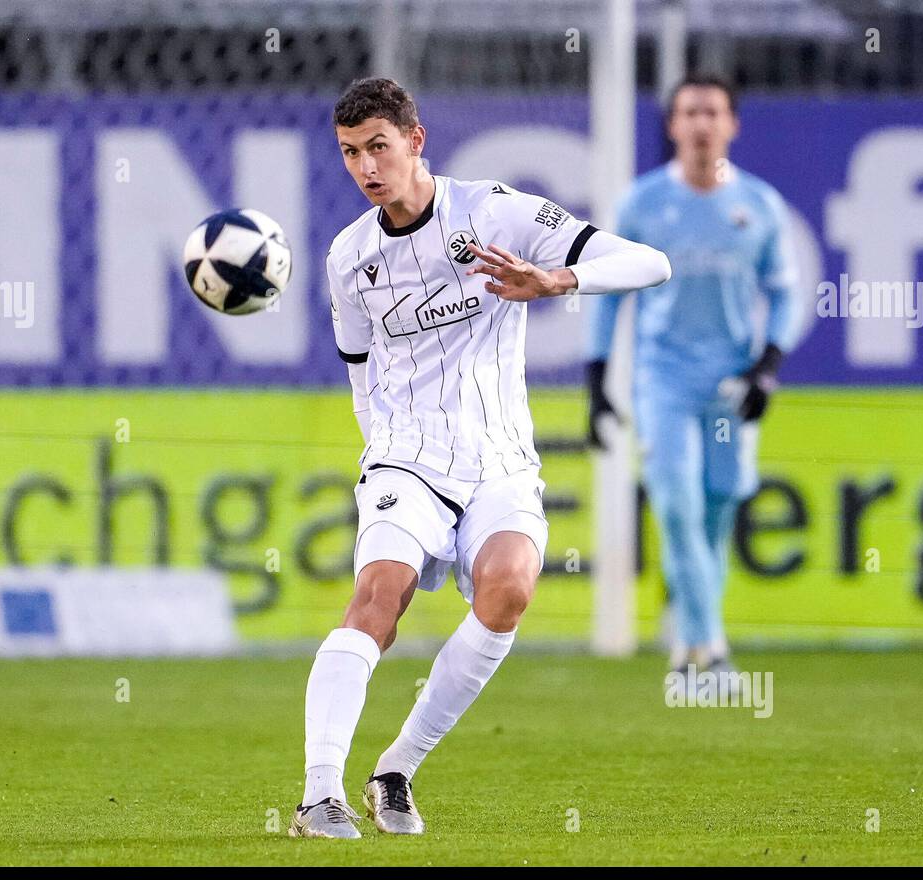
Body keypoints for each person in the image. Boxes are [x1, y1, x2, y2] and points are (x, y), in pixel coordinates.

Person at [292, 77, 671, 838]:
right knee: (379, 595)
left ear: (416, 140)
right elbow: (360, 372)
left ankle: (395, 768)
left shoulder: (494, 212)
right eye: (349, 154)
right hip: (407, 460)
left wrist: (561, 277)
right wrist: (385, 456)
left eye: (378, 147)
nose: (366, 167)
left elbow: (651, 263)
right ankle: (318, 794)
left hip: (500, 458)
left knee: (509, 592)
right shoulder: (349, 258)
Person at [586, 74, 800, 687]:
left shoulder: (759, 206)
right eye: (689, 113)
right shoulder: (643, 204)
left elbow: (785, 295)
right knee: (676, 505)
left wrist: (768, 367)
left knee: (716, 510)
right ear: (673, 125)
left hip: (730, 382)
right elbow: (607, 297)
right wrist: (598, 379)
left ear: (731, 124)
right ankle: (710, 648)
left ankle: (687, 637)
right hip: (664, 379)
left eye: (712, 112)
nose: (701, 124)